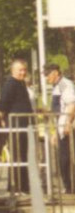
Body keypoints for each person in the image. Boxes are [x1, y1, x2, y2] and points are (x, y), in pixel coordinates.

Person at [0, 58, 34, 193]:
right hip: (15, 124)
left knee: (23, 155)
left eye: (25, 70)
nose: (23, 72)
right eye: (20, 70)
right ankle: (17, 186)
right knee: (17, 155)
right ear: (13, 71)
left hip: (24, 125)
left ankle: (23, 186)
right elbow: (2, 104)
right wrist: (3, 120)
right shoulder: (10, 84)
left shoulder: (21, 84)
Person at [43, 62, 75, 196]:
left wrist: (68, 123)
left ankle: (69, 188)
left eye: (47, 74)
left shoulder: (64, 85)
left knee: (65, 159)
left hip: (68, 128)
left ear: (55, 72)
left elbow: (72, 105)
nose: (46, 77)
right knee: (63, 159)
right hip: (61, 128)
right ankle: (68, 187)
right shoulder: (56, 87)